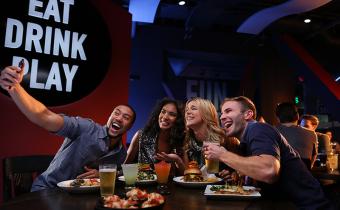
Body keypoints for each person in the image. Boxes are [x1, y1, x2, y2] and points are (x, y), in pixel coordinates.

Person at [0, 64, 136, 191]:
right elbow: (45, 117)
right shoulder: (86, 128)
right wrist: (15, 88)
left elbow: (118, 177)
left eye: (126, 117)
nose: (119, 118)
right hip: (48, 190)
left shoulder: (120, 154)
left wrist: (100, 175)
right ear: (110, 117)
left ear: (129, 127)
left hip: (79, 199)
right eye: (116, 113)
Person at [203, 96, 333, 209]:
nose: (222, 117)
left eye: (228, 111)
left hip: (307, 206)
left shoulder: (258, 128)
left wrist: (222, 154)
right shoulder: (245, 141)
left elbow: (269, 171)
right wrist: (238, 173)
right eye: (222, 113)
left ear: (248, 114)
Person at [124, 98, 185, 173]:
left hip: (170, 185)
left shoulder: (182, 141)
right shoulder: (141, 135)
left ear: (178, 119)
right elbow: (126, 167)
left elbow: (186, 175)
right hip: (143, 184)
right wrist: (141, 169)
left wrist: (177, 160)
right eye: (163, 112)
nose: (165, 117)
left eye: (172, 114)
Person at [275, 102, 318, 170]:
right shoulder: (311, 134)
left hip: (279, 178)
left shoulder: (270, 132)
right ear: (297, 116)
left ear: (277, 118)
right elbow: (313, 157)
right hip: (303, 177)